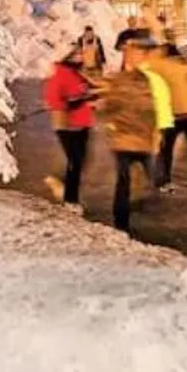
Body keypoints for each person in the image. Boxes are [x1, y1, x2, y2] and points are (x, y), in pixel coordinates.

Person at [100, 36, 172, 233]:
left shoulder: (127, 80)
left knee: (127, 179)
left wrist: (113, 125)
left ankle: (122, 218)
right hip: (135, 138)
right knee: (134, 176)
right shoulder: (148, 80)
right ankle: (128, 212)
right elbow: (157, 107)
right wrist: (159, 130)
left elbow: (109, 107)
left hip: (130, 138)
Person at [42, 45, 97, 206]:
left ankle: (61, 183)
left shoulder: (77, 73)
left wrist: (91, 95)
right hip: (67, 125)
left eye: (80, 54)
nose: (80, 57)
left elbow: (88, 89)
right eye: (75, 54)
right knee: (75, 161)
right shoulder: (59, 74)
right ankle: (70, 200)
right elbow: (53, 99)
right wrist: (75, 101)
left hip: (83, 123)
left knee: (81, 161)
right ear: (66, 56)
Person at [151, 40, 187, 192]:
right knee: (184, 141)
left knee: (166, 149)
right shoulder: (185, 66)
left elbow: (144, 70)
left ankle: (163, 179)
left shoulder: (161, 65)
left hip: (171, 114)